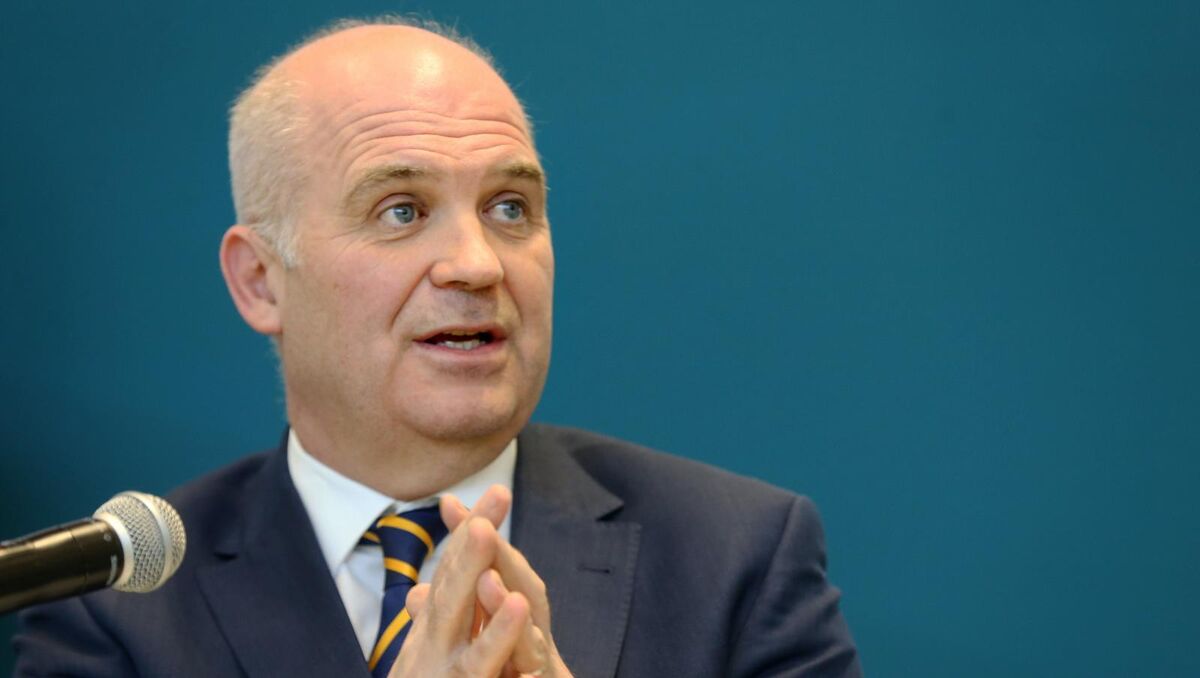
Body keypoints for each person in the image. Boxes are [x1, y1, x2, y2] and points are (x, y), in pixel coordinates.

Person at [13, 17, 862, 677]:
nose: (478, 263)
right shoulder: (113, 611)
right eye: (402, 211)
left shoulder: (737, 559)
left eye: (509, 208)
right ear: (262, 282)